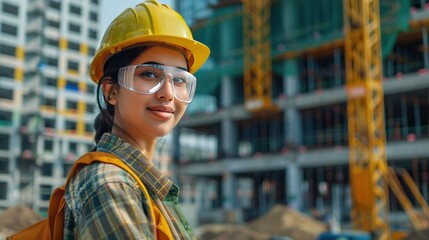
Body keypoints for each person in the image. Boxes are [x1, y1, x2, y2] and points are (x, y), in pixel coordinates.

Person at [62, 0, 210, 239]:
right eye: (149, 74)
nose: (168, 93)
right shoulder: (111, 185)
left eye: (180, 79)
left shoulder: (142, 185)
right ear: (111, 91)